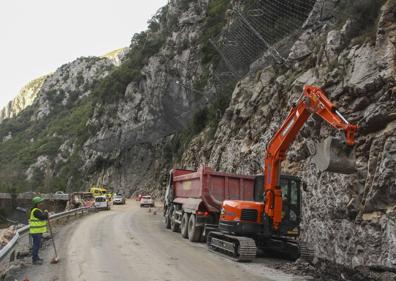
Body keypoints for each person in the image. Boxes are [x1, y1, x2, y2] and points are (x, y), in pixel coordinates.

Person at [29, 197, 49, 265]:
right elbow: (43, 217)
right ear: (37, 204)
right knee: (36, 246)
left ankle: (36, 257)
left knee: (37, 245)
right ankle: (34, 260)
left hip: (37, 231)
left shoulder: (37, 210)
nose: (42, 204)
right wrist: (46, 212)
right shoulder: (36, 211)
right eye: (41, 202)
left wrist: (45, 213)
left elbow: (42, 217)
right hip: (35, 232)